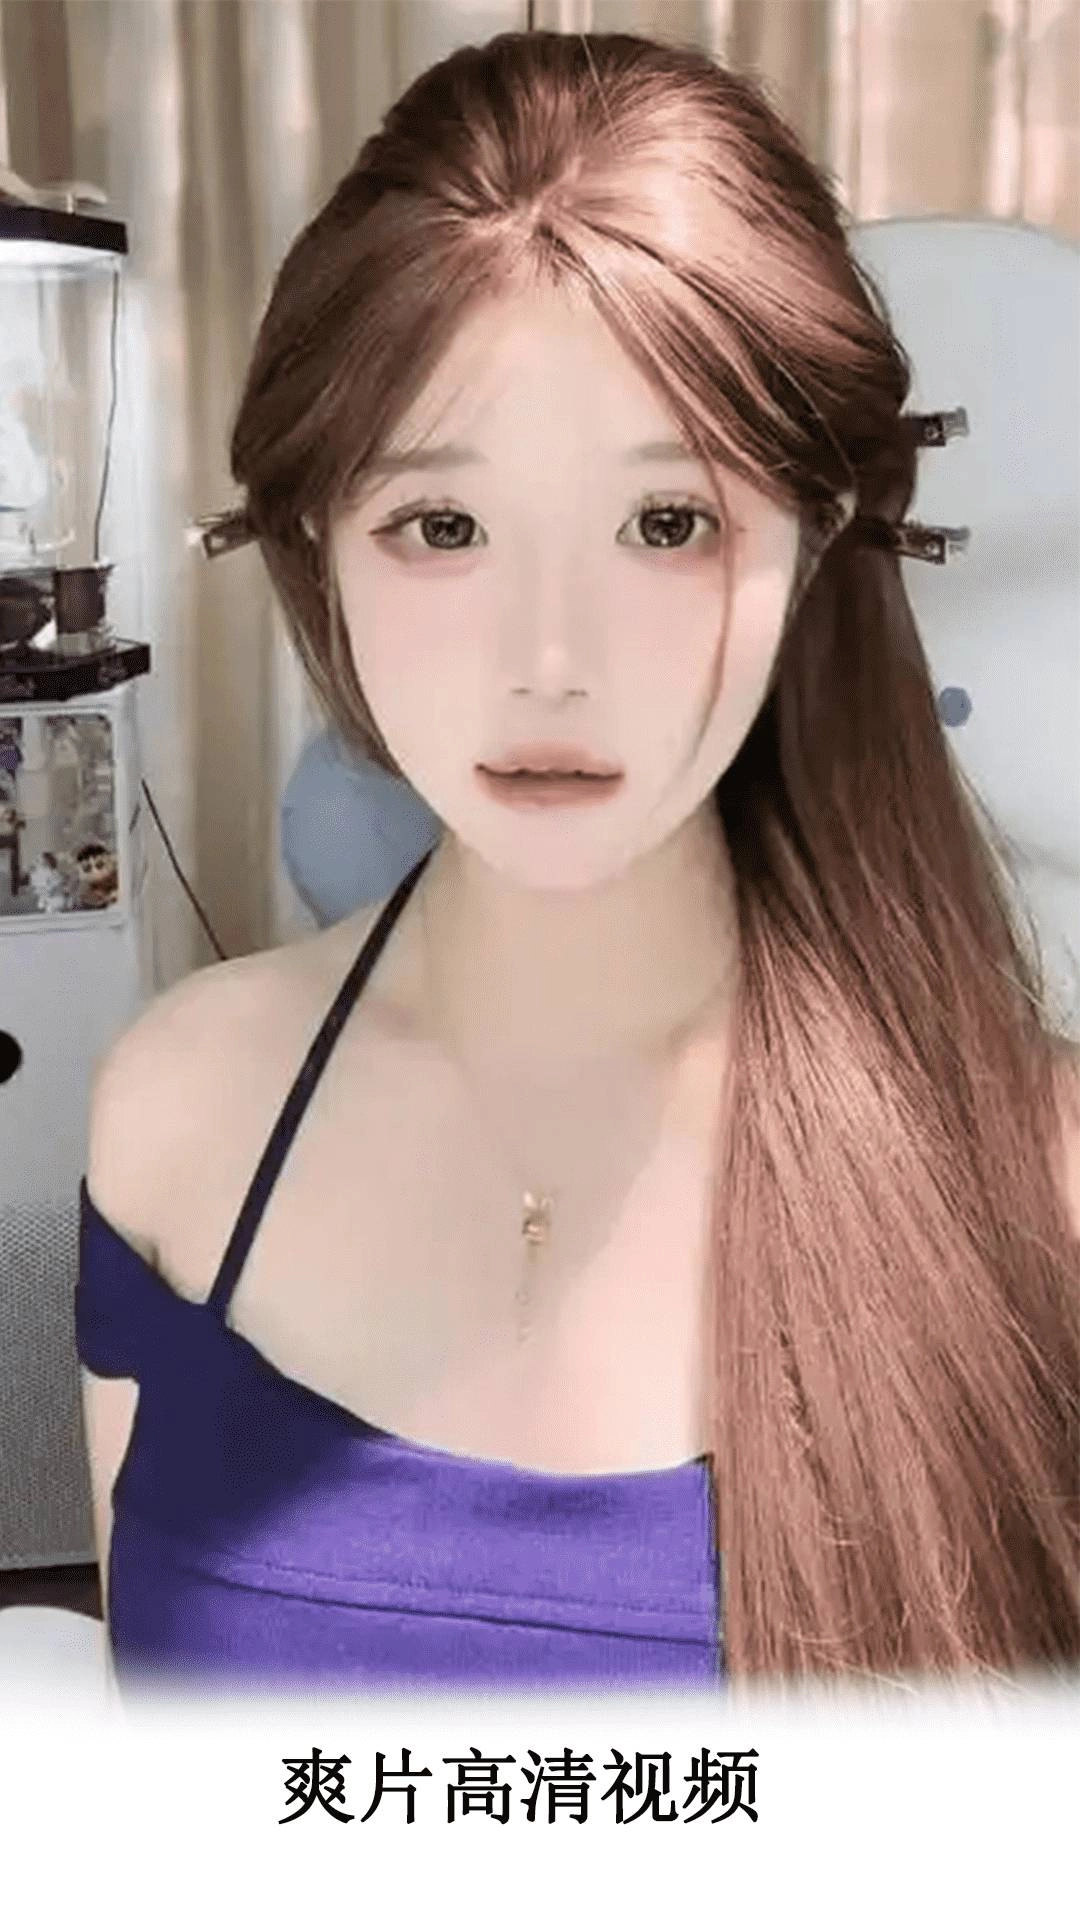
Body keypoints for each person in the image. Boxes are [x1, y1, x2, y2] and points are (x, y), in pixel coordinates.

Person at [76, 28, 1079, 1695]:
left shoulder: (1037, 1190)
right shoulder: (179, 1118)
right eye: (443, 527)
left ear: (815, 538)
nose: (549, 663)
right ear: (316, 542)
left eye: (666, 524)